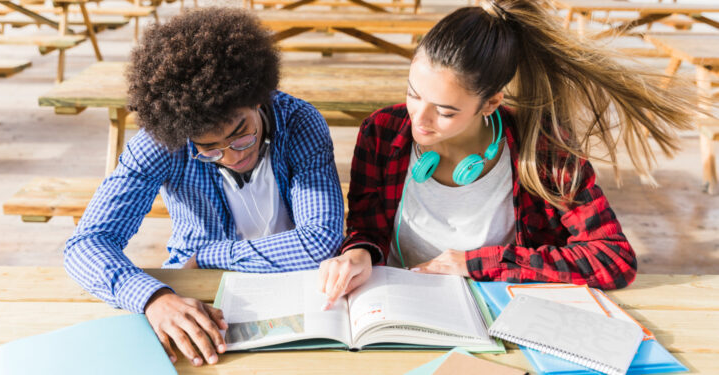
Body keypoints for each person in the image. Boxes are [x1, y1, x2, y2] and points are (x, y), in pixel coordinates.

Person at [318, 0, 699, 309]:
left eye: (446, 111)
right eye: (413, 93)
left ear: (491, 103)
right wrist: (359, 252)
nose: (420, 120)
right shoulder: (383, 132)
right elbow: (367, 229)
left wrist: (474, 264)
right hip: (400, 309)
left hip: (503, 315)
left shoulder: (544, 150)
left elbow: (613, 258)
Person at [64, 8, 344, 366]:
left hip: (293, 284)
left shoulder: (301, 123)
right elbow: (87, 243)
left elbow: (320, 242)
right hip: (195, 291)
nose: (231, 156)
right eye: (209, 148)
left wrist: (208, 256)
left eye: (240, 134)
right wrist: (153, 298)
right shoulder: (162, 142)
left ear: (259, 97)